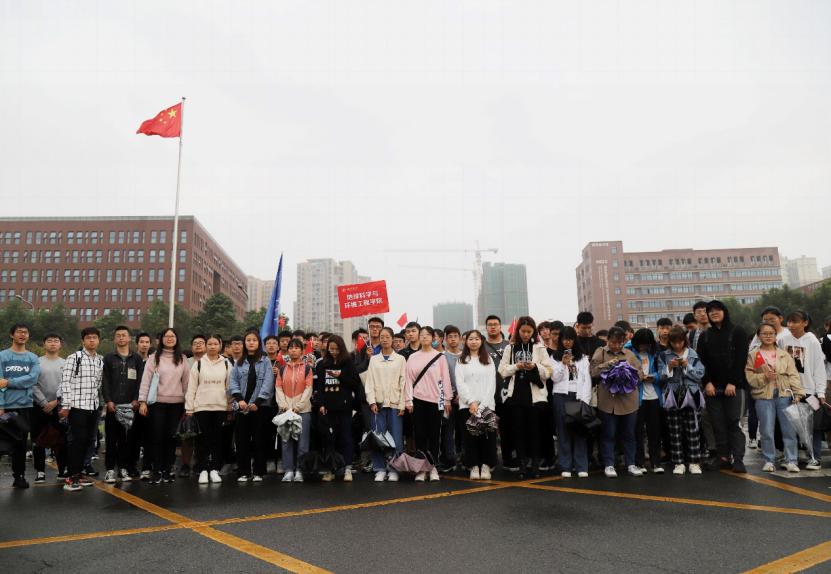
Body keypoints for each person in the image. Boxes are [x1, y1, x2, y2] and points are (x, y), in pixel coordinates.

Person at [696, 300, 749, 473]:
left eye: (717, 309)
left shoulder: (737, 331)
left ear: (724, 311)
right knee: (717, 425)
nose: (714, 313)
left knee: (734, 423)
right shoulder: (705, 336)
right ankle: (723, 458)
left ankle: (738, 459)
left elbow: (741, 359)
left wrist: (732, 382)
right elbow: (701, 362)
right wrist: (707, 383)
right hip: (712, 389)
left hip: (735, 387)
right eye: (710, 311)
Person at [497, 317, 552, 478]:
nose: (526, 334)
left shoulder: (539, 348)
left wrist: (535, 366)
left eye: (529, 331)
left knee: (535, 432)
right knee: (519, 432)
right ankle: (522, 465)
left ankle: (535, 465)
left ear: (534, 331)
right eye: (523, 331)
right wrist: (517, 366)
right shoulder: (510, 348)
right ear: (518, 331)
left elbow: (548, 372)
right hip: (515, 395)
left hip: (535, 396)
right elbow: (502, 371)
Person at [746, 322, 804, 473]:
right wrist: (764, 377)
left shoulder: (784, 354)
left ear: (775, 335)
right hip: (763, 396)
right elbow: (749, 376)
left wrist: (798, 393)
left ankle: (791, 460)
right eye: (764, 333)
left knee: (789, 430)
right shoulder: (754, 355)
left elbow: (793, 375)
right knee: (766, 430)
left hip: (784, 394)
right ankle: (768, 460)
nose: (768, 336)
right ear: (758, 336)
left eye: (771, 333)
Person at [138, 328, 190, 484]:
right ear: (161, 339)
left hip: (176, 405)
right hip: (157, 404)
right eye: (166, 336)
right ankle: (157, 470)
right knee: (157, 437)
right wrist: (142, 401)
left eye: (172, 336)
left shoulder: (182, 359)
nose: (169, 338)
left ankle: (168, 469)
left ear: (177, 339)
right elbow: (146, 381)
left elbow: (186, 383)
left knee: (171, 438)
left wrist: (188, 404)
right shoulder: (154, 358)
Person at [590, 326, 643, 478]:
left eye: (620, 343)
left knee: (629, 434)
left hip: (629, 401)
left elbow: (640, 374)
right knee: (609, 434)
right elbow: (592, 372)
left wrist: (629, 373)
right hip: (608, 402)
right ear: (608, 340)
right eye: (613, 342)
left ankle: (631, 464)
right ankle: (609, 464)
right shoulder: (600, 352)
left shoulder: (629, 354)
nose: (617, 346)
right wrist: (608, 365)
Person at [404, 326, 453, 482]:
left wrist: (447, 399)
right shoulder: (412, 357)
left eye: (428, 335)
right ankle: (421, 469)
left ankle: (432, 468)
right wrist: (408, 400)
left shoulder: (440, 357)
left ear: (433, 338)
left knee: (434, 435)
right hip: (418, 400)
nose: (424, 337)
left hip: (436, 401)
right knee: (420, 435)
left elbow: (445, 378)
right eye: (422, 335)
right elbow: (408, 380)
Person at [59, 327, 104, 492]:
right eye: (88, 338)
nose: (92, 340)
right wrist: (66, 405)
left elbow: (98, 385)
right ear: (83, 341)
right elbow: (65, 382)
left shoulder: (100, 360)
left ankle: (79, 473)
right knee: (77, 442)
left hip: (93, 407)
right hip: (77, 407)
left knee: (88, 441)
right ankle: (71, 477)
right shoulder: (74, 358)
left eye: (94, 338)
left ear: (99, 341)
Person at [781, 310, 826, 470]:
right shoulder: (783, 339)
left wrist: (820, 392)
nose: (791, 325)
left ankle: (814, 457)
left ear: (805, 323)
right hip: (788, 390)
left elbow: (819, 368)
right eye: (789, 322)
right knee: (790, 425)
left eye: (795, 322)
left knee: (813, 426)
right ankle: (791, 457)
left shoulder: (812, 341)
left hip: (809, 390)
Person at [657, 326, 706, 475]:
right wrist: (669, 367)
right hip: (672, 395)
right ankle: (678, 463)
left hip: (691, 393)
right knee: (674, 431)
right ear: (670, 342)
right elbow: (661, 376)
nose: (677, 345)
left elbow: (700, 374)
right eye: (674, 342)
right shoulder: (664, 355)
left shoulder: (693, 354)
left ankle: (694, 462)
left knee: (693, 430)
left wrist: (687, 366)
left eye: (680, 342)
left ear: (685, 340)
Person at [229, 329, 275, 482]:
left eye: (254, 340)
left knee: (259, 439)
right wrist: (240, 400)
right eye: (248, 340)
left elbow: (268, 383)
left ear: (258, 343)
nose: (251, 343)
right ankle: (244, 471)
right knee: (242, 440)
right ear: (244, 343)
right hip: (242, 407)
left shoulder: (265, 360)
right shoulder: (239, 362)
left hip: (260, 407)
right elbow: (233, 382)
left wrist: (257, 402)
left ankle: (258, 471)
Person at [101, 326, 144, 483]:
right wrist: (108, 400)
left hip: (130, 406)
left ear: (129, 338)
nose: (121, 338)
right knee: (111, 439)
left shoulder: (136, 359)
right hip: (113, 405)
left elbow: (141, 381)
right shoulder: (108, 358)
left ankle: (123, 468)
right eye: (118, 335)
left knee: (127, 440)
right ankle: (110, 470)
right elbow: (105, 381)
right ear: (114, 339)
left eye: (124, 335)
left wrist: (136, 399)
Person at [186, 334, 231, 484]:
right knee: (202, 440)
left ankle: (214, 469)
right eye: (210, 344)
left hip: (220, 407)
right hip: (201, 407)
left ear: (220, 346)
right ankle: (203, 470)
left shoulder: (226, 363)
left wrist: (230, 405)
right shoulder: (198, 363)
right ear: (206, 346)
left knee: (218, 440)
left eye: (215, 344)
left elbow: (229, 387)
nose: (212, 346)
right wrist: (189, 408)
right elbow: (191, 387)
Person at [0, 323, 41, 488]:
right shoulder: (2, 356)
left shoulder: (33, 358)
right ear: (12, 335)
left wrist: (9, 382)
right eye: (19, 332)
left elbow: (32, 379)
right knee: (1, 444)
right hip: (5, 406)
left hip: (25, 406)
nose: (22, 335)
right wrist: (0, 405)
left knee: (21, 444)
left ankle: (19, 477)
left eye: (25, 332)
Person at [315, 335, 360, 481]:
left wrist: (340, 375)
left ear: (341, 348)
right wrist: (321, 404)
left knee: (346, 437)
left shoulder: (348, 362)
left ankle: (347, 468)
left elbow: (355, 383)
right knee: (329, 439)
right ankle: (330, 469)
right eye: (331, 349)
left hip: (345, 407)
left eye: (336, 349)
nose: (334, 352)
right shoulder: (322, 364)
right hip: (328, 408)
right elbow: (320, 387)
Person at [364, 327, 407, 482]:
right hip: (378, 404)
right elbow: (369, 382)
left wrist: (402, 404)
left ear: (392, 338)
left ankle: (394, 469)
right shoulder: (374, 359)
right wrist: (372, 401)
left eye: (387, 337)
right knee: (378, 437)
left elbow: (404, 382)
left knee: (396, 438)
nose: (384, 339)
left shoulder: (400, 359)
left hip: (395, 404)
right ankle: (380, 468)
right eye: (382, 337)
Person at [549, 327, 591, 478]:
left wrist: (585, 400)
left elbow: (586, 380)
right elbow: (554, 378)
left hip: (578, 396)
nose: (567, 342)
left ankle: (581, 466)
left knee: (579, 431)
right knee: (563, 432)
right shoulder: (555, 357)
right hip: (561, 395)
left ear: (574, 340)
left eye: (570, 339)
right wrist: (563, 364)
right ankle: (565, 465)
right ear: (560, 340)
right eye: (565, 339)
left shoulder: (583, 358)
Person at [455, 330, 497, 480]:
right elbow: (460, 383)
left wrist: (482, 405)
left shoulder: (488, 359)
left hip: (487, 405)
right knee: (470, 437)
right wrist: (471, 401)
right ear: (466, 342)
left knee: (488, 437)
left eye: (477, 339)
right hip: (467, 406)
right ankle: (473, 465)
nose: (473, 342)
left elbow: (492, 384)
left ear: (481, 341)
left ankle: (486, 465)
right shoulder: (461, 360)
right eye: (471, 339)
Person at [275, 338, 314, 483]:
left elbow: (308, 388)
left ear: (302, 351)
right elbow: (278, 388)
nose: (293, 350)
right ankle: (288, 470)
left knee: (303, 443)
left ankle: (300, 470)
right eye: (291, 348)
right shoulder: (282, 369)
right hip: (286, 410)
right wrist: (284, 405)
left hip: (303, 411)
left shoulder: (307, 369)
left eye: (297, 348)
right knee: (286, 441)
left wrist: (299, 406)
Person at [32, 333, 67, 482]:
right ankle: (40, 471)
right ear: (44, 344)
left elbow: (67, 385)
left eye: (56, 341)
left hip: (59, 407)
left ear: (60, 344)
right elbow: (32, 384)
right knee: (38, 439)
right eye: (49, 341)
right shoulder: (36, 362)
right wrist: (43, 402)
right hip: (39, 406)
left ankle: (62, 470)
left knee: (60, 440)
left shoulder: (66, 363)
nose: (53, 343)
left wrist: (55, 402)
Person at [628, 328, 664, 473]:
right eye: (641, 344)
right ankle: (639, 462)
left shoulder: (655, 353)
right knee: (637, 431)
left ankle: (656, 463)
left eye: (647, 344)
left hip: (654, 396)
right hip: (637, 397)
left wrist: (654, 377)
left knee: (654, 430)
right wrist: (638, 377)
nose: (644, 347)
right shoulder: (629, 353)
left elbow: (663, 371)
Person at [483, 315, 513, 470]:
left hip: (506, 393)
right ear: (486, 328)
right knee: (489, 429)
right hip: (487, 395)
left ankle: (508, 459)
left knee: (507, 428)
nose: (493, 327)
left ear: (500, 327)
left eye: (495, 324)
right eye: (490, 325)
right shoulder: (482, 346)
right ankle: (491, 460)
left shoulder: (509, 345)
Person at [439, 325, 463, 472]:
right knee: (447, 430)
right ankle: (449, 460)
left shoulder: (466, 355)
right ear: (445, 339)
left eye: (455, 336)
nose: (453, 339)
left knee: (466, 430)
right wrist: (448, 397)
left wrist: (463, 395)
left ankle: (466, 459)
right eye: (450, 337)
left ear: (460, 339)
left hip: (465, 399)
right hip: (448, 400)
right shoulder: (441, 357)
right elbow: (440, 379)